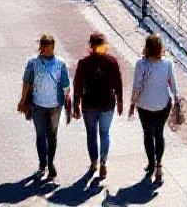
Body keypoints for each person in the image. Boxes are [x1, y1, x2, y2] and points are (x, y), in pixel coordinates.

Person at [17, 34, 71, 182]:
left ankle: (51, 163)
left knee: (52, 135)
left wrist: (68, 100)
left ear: (53, 46)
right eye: (44, 46)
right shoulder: (33, 63)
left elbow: (66, 85)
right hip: (38, 104)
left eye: (49, 46)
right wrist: (23, 99)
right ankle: (42, 162)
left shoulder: (60, 63)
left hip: (55, 106)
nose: (47, 49)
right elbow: (26, 82)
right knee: (41, 135)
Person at [129, 34, 179, 184]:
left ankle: (151, 164)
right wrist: (177, 101)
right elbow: (173, 85)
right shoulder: (168, 64)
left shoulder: (141, 64)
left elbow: (137, 87)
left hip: (144, 105)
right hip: (162, 105)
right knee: (159, 133)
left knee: (148, 135)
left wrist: (132, 103)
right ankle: (159, 165)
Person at [73, 33, 124, 179]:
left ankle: (93, 162)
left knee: (91, 134)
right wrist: (120, 101)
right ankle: (103, 163)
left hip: (89, 103)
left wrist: (76, 103)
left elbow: (78, 85)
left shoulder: (84, 63)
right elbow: (118, 83)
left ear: (91, 45)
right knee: (105, 133)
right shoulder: (111, 61)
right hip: (107, 103)